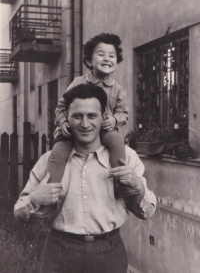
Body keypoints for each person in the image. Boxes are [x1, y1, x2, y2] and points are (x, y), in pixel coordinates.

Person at [14, 83, 156, 273]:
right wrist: (34, 199)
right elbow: (19, 212)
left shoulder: (125, 158)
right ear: (67, 119)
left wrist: (138, 187)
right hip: (59, 254)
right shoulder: (51, 161)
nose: (85, 124)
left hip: (109, 253)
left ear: (103, 117)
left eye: (92, 116)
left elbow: (146, 213)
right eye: (77, 116)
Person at [38, 33, 129, 219]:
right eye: (101, 54)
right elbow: (62, 107)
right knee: (57, 153)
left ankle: (120, 184)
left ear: (117, 61)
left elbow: (123, 113)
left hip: (103, 130)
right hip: (73, 130)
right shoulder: (78, 82)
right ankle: (52, 194)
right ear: (89, 59)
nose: (107, 59)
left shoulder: (117, 89)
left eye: (112, 56)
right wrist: (63, 122)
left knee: (118, 143)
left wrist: (114, 120)